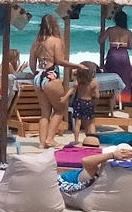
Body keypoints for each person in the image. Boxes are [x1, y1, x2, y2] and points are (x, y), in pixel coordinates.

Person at [29, 14, 73, 148]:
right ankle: (50, 139)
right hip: (51, 77)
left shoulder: (37, 42)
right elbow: (59, 61)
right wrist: (76, 66)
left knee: (44, 113)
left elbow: (32, 65)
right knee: (60, 109)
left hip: (38, 78)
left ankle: (42, 143)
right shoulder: (56, 41)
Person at [100, 9, 132, 95]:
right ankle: (123, 97)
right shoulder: (128, 32)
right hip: (123, 54)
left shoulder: (110, 30)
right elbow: (130, 47)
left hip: (113, 53)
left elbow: (100, 41)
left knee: (111, 73)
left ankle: (111, 96)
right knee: (124, 76)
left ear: (115, 20)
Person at [68, 62, 99, 146]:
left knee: (78, 123)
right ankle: (93, 140)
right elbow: (97, 96)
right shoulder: (94, 83)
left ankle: (76, 140)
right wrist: (95, 104)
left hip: (79, 102)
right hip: (88, 102)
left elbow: (73, 87)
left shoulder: (79, 82)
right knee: (90, 122)